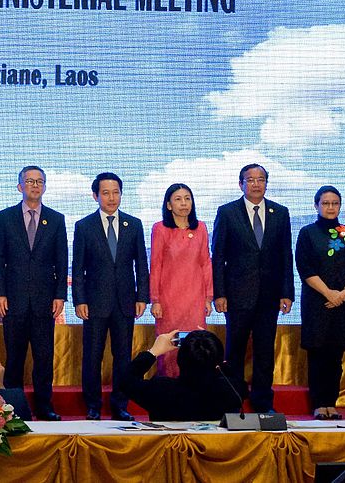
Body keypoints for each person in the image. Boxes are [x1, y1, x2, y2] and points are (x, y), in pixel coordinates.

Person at [211, 163, 293, 413]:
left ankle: (262, 403)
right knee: (234, 352)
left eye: (261, 180)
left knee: (265, 352)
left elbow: (285, 255)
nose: (256, 184)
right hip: (236, 295)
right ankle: (232, 403)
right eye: (251, 180)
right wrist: (220, 293)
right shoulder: (227, 212)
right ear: (241, 184)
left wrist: (286, 292)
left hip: (269, 296)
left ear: (266, 183)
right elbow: (218, 256)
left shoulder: (280, 212)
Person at [0, 165, 67, 421]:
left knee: (44, 358)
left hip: (45, 302)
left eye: (39, 181)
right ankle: (14, 408)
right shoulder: (5, 217)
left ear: (44, 187)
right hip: (13, 300)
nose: (35, 185)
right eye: (29, 181)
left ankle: (45, 407)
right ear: (19, 186)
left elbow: (61, 260)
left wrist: (60, 295)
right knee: (14, 358)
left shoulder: (56, 219)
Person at [72, 172, 149, 421]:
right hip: (94, 303)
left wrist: (142, 296)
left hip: (126, 302)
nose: (111, 197)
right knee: (92, 356)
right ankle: (93, 405)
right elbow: (78, 266)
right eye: (105, 192)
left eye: (116, 192)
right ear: (96, 196)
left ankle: (120, 405)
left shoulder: (134, 224)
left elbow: (141, 265)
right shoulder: (84, 226)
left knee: (123, 357)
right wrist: (80, 300)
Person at [295, 185, 345, 420]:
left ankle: (331, 403)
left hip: (343, 303)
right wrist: (328, 293)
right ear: (316, 205)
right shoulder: (307, 233)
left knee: (335, 357)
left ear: (340, 205)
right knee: (317, 355)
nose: (330, 207)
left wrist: (343, 293)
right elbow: (305, 268)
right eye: (325, 203)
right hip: (316, 302)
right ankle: (318, 404)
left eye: (335, 203)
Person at [149, 183, 212, 378]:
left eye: (187, 198)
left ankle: (194, 393)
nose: (184, 203)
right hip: (169, 301)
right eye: (178, 199)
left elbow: (206, 263)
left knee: (195, 346)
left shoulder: (201, 228)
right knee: (170, 347)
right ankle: (169, 391)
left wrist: (208, 298)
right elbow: (156, 266)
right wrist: (155, 300)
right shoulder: (160, 229)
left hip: (195, 300)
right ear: (169, 205)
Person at [124, 329, 246, 421]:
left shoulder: (161, 389)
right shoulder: (232, 391)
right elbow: (237, 381)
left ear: (179, 360)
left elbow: (126, 381)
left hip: (170, 454)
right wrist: (211, 346)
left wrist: (153, 351)